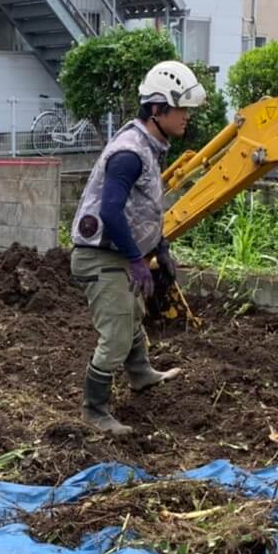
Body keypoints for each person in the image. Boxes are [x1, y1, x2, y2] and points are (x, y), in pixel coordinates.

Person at [68, 60, 205, 435]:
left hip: (117, 253)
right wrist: (135, 258)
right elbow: (111, 210)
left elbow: (140, 206)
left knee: (133, 313)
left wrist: (158, 245)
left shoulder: (149, 146)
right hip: (99, 256)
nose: (187, 118)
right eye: (182, 109)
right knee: (115, 330)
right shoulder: (129, 152)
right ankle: (94, 410)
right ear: (158, 109)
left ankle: (141, 373)